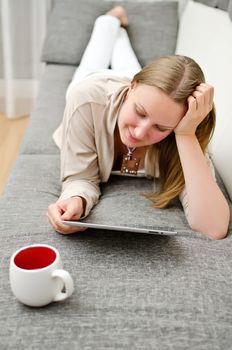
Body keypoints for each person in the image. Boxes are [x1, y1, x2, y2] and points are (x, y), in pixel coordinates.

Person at [47, 6, 230, 239]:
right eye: (140, 113)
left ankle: (120, 30)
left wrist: (185, 135)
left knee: (131, 69)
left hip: (141, 89)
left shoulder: (179, 122)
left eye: (161, 128)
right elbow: (80, 177)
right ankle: (110, 20)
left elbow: (213, 228)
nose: (140, 132)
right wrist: (74, 200)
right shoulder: (87, 99)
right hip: (100, 86)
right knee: (92, 64)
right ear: (132, 87)